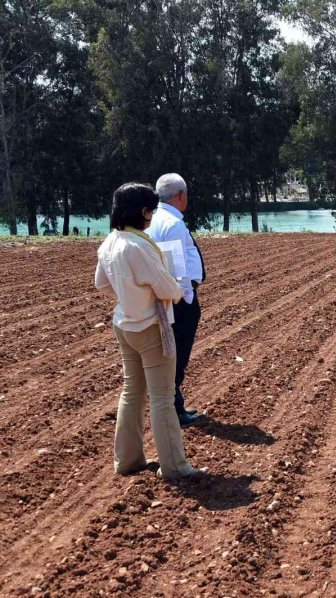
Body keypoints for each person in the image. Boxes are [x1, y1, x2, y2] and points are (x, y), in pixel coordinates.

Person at [94, 183, 204, 480]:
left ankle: (128, 460)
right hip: (150, 327)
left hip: (124, 325)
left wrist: (128, 287)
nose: (152, 216)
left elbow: (101, 283)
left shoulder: (110, 242)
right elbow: (168, 287)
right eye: (150, 210)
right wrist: (177, 290)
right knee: (162, 397)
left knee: (132, 392)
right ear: (141, 211)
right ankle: (175, 467)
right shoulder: (139, 246)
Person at [146, 173, 206, 426]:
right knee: (177, 353)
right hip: (178, 299)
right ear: (181, 195)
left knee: (173, 352)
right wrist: (187, 296)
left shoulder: (157, 219)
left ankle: (175, 403)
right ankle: (173, 409)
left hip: (169, 296)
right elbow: (176, 266)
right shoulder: (172, 223)